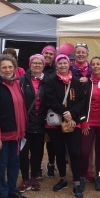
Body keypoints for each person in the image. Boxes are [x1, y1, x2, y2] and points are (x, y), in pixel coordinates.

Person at [44, 54, 88, 198]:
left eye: (65, 63)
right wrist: (64, 113)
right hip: (57, 123)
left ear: (69, 64)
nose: (63, 65)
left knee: (75, 152)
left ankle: (76, 182)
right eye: (60, 63)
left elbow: (82, 101)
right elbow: (50, 100)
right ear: (56, 65)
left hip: (72, 122)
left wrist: (72, 115)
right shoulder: (51, 82)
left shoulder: (76, 82)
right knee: (59, 152)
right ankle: (63, 178)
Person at [0, 54, 29, 198]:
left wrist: (23, 130)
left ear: (15, 68)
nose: (8, 69)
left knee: (14, 163)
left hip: (17, 133)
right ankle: (3, 193)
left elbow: (22, 109)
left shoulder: (17, 84)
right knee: (2, 164)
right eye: (4, 67)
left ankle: (12, 189)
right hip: (3, 134)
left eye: (10, 67)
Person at [17, 54, 48, 193]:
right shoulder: (21, 80)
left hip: (41, 122)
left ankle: (34, 176)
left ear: (43, 65)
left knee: (38, 151)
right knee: (23, 152)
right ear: (30, 64)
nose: (37, 65)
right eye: (34, 62)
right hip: (25, 122)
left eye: (39, 63)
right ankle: (25, 178)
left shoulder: (48, 81)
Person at [81, 56, 100, 190]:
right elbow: (80, 104)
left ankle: (98, 175)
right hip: (89, 121)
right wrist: (83, 121)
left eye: (98, 64)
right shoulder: (85, 83)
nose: (96, 66)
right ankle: (83, 175)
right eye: (93, 64)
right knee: (85, 151)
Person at [41, 45, 57, 177]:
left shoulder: (57, 70)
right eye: (46, 53)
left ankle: (51, 164)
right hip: (38, 109)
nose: (48, 56)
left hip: (52, 109)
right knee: (38, 141)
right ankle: (36, 167)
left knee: (51, 140)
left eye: (51, 54)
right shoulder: (35, 68)